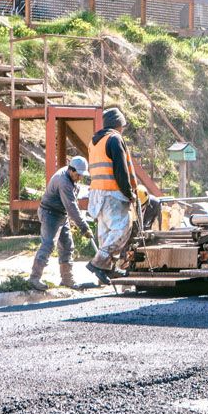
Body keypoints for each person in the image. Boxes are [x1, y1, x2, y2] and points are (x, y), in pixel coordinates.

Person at [86, 107, 137, 285]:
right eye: (122, 125)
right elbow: (121, 171)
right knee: (122, 229)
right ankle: (98, 263)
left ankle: (108, 269)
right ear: (118, 124)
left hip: (97, 194)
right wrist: (129, 193)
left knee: (105, 233)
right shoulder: (115, 139)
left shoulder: (94, 142)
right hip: (113, 193)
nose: (123, 129)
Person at [28, 156, 92, 291]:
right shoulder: (63, 182)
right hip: (50, 214)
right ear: (71, 170)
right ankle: (34, 278)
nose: (80, 178)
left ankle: (67, 279)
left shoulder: (70, 176)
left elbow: (71, 204)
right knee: (49, 243)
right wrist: (84, 227)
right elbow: (71, 206)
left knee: (67, 246)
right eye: (78, 175)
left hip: (61, 214)